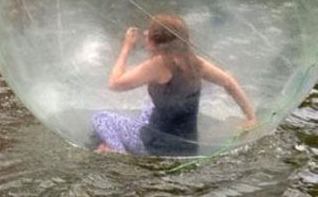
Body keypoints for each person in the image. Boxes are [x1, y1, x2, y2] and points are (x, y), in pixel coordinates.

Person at [91, 13, 257, 156]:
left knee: (102, 118)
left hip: (156, 147)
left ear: (156, 42)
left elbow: (114, 84)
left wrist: (126, 47)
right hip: (187, 147)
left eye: (149, 33)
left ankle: (119, 154)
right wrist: (251, 117)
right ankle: (129, 143)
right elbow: (229, 82)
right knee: (150, 105)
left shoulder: (157, 65)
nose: (145, 33)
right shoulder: (196, 62)